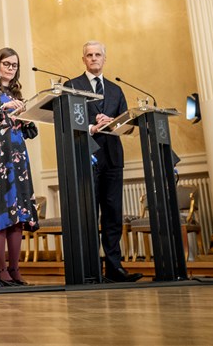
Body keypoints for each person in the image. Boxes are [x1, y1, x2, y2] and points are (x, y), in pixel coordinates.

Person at [66, 41, 142, 282]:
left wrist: (112, 122)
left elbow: (128, 127)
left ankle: (114, 267)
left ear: (104, 59)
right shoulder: (72, 86)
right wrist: (90, 127)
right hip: (86, 156)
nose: (94, 58)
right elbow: (66, 120)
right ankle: (90, 267)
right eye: (89, 55)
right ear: (83, 60)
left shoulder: (115, 89)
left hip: (112, 158)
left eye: (98, 55)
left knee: (113, 213)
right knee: (88, 212)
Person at [0, 47, 39, 286]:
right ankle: (1, 269)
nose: (10, 68)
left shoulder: (17, 92)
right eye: (6, 63)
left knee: (18, 213)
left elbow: (31, 130)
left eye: (14, 65)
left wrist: (25, 116)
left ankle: (15, 269)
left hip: (17, 156)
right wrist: (2, 110)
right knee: (0, 210)